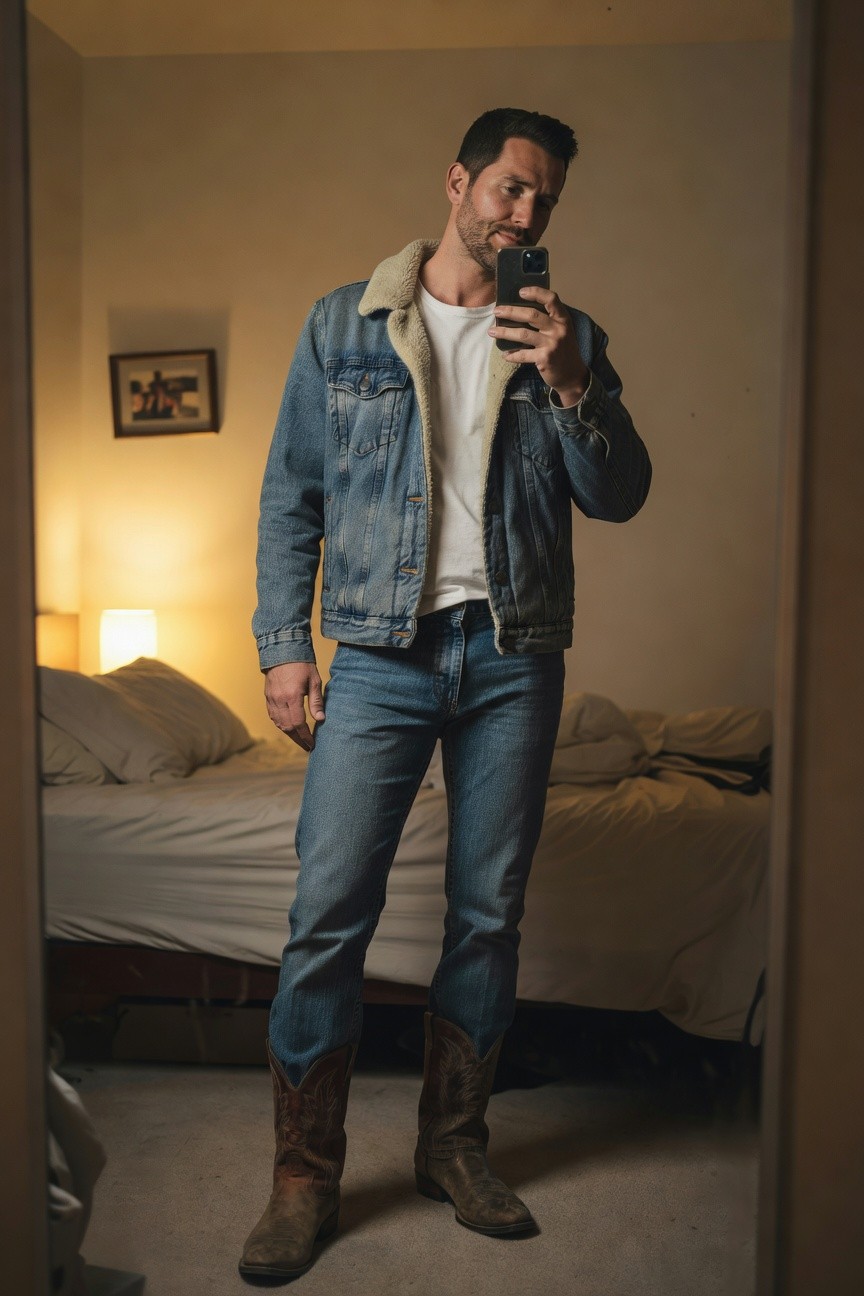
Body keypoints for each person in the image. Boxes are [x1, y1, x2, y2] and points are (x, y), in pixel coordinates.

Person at [240, 107, 652, 1282]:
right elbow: (290, 497)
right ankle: (303, 1176)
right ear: (458, 181)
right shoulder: (346, 323)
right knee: (329, 915)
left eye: (547, 202)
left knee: (487, 915)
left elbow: (618, 496)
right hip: (378, 653)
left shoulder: (569, 335)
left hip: (515, 654)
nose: (527, 214)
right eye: (513, 189)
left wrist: (572, 383)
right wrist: (285, 645)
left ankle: (453, 1148)